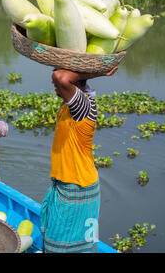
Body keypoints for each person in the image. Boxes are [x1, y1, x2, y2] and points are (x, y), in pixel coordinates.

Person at [40, 66, 119, 253]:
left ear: (75, 82)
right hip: (66, 183)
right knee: (55, 238)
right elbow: (61, 77)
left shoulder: (84, 107)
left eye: (57, 86)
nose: (54, 85)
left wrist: (101, 72)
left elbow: (60, 77)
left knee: (62, 246)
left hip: (78, 185)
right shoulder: (70, 105)